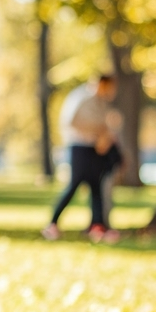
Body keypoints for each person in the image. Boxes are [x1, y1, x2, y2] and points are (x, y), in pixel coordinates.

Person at [43, 74, 122, 242]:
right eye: (109, 87)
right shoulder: (82, 98)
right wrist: (98, 129)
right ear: (102, 84)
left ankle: (97, 225)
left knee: (96, 185)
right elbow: (71, 121)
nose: (111, 92)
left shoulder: (101, 102)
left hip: (95, 148)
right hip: (79, 147)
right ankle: (53, 223)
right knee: (74, 184)